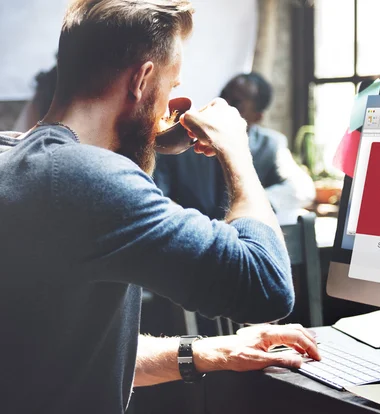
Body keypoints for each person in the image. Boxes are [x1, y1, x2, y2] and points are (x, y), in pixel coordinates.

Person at [0, 1, 319, 413]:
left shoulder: (16, 157)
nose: (168, 105)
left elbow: (64, 354)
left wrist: (215, 351)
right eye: (171, 87)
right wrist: (237, 151)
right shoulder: (87, 177)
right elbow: (267, 286)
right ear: (142, 79)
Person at [154, 73, 316, 220]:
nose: (224, 104)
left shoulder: (270, 145)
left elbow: (302, 188)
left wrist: (251, 206)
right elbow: (157, 195)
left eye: (237, 102)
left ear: (257, 117)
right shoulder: (183, 140)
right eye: (223, 95)